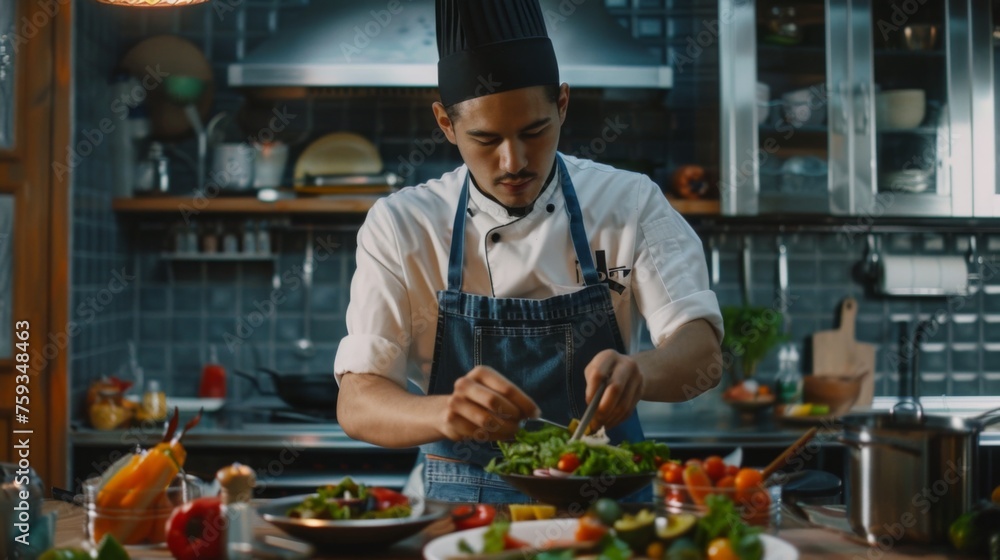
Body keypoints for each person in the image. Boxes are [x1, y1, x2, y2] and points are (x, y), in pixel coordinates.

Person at [335, 0, 723, 503]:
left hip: (605, 506)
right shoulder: (402, 226)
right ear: (446, 124)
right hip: (464, 512)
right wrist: (443, 412)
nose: (513, 160)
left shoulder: (629, 202)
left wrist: (640, 372)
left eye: (534, 132)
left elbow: (703, 353)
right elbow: (358, 402)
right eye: (485, 138)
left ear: (562, 103)